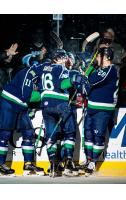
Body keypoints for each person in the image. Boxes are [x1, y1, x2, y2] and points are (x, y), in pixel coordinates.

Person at [34, 49, 82, 177]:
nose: (64, 60)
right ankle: (69, 162)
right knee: (69, 132)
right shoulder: (61, 69)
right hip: (60, 104)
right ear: (56, 59)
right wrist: (74, 80)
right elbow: (63, 84)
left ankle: (53, 164)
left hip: (46, 106)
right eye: (62, 58)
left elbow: (34, 73)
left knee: (51, 136)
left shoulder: (43, 67)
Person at [0, 63, 45, 176]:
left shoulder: (38, 76)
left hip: (21, 106)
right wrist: (44, 95)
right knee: (5, 134)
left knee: (29, 133)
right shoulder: (30, 73)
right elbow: (26, 95)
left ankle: (28, 165)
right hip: (9, 103)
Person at [81, 47, 119, 176]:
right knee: (88, 134)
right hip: (92, 107)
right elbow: (86, 81)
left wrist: (87, 71)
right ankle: (89, 160)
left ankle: (94, 162)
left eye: (98, 56)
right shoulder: (100, 70)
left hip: (103, 109)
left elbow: (90, 81)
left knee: (98, 135)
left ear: (106, 57)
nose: (96, 58)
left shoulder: (110, 70)